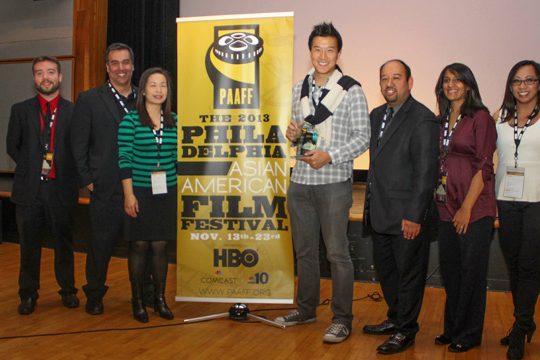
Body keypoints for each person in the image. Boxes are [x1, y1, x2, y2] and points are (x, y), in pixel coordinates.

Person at [273, 22, 370, 343]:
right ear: (310, 52)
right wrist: (291, 134)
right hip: (299, 180)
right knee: (304, 253)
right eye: (317, 49)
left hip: (333, 181)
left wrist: (330, 155)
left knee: (337, 254)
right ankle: (306, 309)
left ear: (338, 52)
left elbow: (363, 137)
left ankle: (342, 318)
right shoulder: (298, 87)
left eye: (330, 49)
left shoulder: (351, 90)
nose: (323, 55)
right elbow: (297, 132)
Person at [362, 59, 439, 355]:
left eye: (396, 77)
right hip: (380, 212)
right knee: (388, 273)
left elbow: (425, 172)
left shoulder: (422, 119)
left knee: (409, 275)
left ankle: (406, 330)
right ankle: (395, 319)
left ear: (410, 81)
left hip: (407, 216)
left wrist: (414, 215)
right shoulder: (376, 114)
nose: (389, 84)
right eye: (384, 78)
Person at [71, 43, 153, 315]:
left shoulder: (146, 98)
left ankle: (143, 295)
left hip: (141, 185)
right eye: (115, 63)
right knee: (100, 245)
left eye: (126, 62)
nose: (121, 68)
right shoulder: (89, 99)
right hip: (105, 187)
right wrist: (88, 179)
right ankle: (94, 294)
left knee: (142, 245)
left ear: (133, 65)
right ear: (107, 67)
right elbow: (78, 143)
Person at [6, 56, 79, 314]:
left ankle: (68, 290)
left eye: (50, 72)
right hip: (28, 191)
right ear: (34, 78)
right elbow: (12, 146)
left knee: (64, 245)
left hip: (61, 190)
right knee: (28, 247)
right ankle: (27, 294)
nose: (44, 77)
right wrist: (32, 167)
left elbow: (78, 150)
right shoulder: (19, 110)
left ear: (60, 77)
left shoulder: (74, 111)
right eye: (39, 73)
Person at [434, 63, 497, 352]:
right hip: (446, 206)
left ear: (469, 85)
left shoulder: (480, 117)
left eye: (458, 80)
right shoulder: (443, 118)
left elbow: (484, 166)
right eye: (447, 80)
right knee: (452, 272)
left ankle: (469, 334)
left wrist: (466, 208)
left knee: (471, 273)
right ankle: (453, 328)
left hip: (474, 209)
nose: (451, 85)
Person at [118, 67, 177, 323]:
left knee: (161, 246)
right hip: (139, 190)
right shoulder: (130, 120)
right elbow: (124, 159)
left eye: (163, 85)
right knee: (140, 245)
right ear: (142, 90)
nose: (158, 90)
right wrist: (129, 195)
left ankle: (160, 300)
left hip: (166, 191)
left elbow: (177, 158)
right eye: (153, 85)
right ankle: (138, 300)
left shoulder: (175, 119)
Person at [494, 60, 540, 360]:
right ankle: (524, 319)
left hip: (537, 201)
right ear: (510, 86)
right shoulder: (500, 118)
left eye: (529, 80)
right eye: (517, 81)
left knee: (529, 266)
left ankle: (520, 330)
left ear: (539, 84)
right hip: (506, 200)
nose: (523, 86)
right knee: (513, 264)